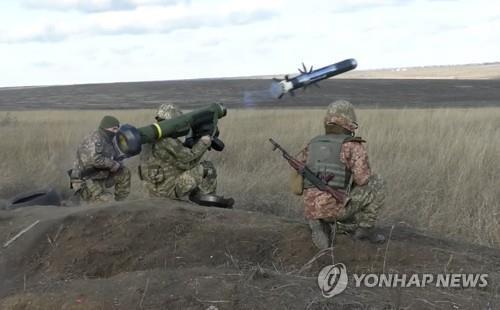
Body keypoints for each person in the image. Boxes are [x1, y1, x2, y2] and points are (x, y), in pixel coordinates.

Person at [295, 100, 386, 248]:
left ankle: (318, 221)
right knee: (377, 181)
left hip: (311, 208)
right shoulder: (353, 146)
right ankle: (364, 229)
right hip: (335, 208)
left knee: (325, 199)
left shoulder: (312, 144)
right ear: (348, 120)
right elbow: (362, 180)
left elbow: (297, 187)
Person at [139, 104, 233, 207]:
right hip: (166, 192)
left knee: (191, 172)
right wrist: (203, 143)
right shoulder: (166, 141)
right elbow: (187, 161)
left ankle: (199, 198)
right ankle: (209, 203)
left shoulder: (150, 139)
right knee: (207, 168)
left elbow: (176, 161)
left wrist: (190, 145)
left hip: (152, 191)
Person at [69, 115, 131, 203]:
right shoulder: (93, 139)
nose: (116, 132)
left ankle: (120, 203)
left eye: (117, 129)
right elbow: (95, 160)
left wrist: (119, 163)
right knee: (108, 203)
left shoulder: (109, 140)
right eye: (114, 129)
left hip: (101, 176)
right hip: (86, 180)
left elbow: (114, 156)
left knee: (124, 171)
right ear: (106, 128)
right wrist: (112, 164)